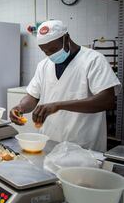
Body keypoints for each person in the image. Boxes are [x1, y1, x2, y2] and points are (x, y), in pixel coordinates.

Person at [10, 20, 121, 151]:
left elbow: (107, 101)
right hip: (49, 143)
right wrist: (20, 107)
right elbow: (32, 97)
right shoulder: (44, 65)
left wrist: (59, 105)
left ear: (66, 38)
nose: (50, 54)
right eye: (46, 52)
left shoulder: (93, 60)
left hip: (83, 147)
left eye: (53, 49)